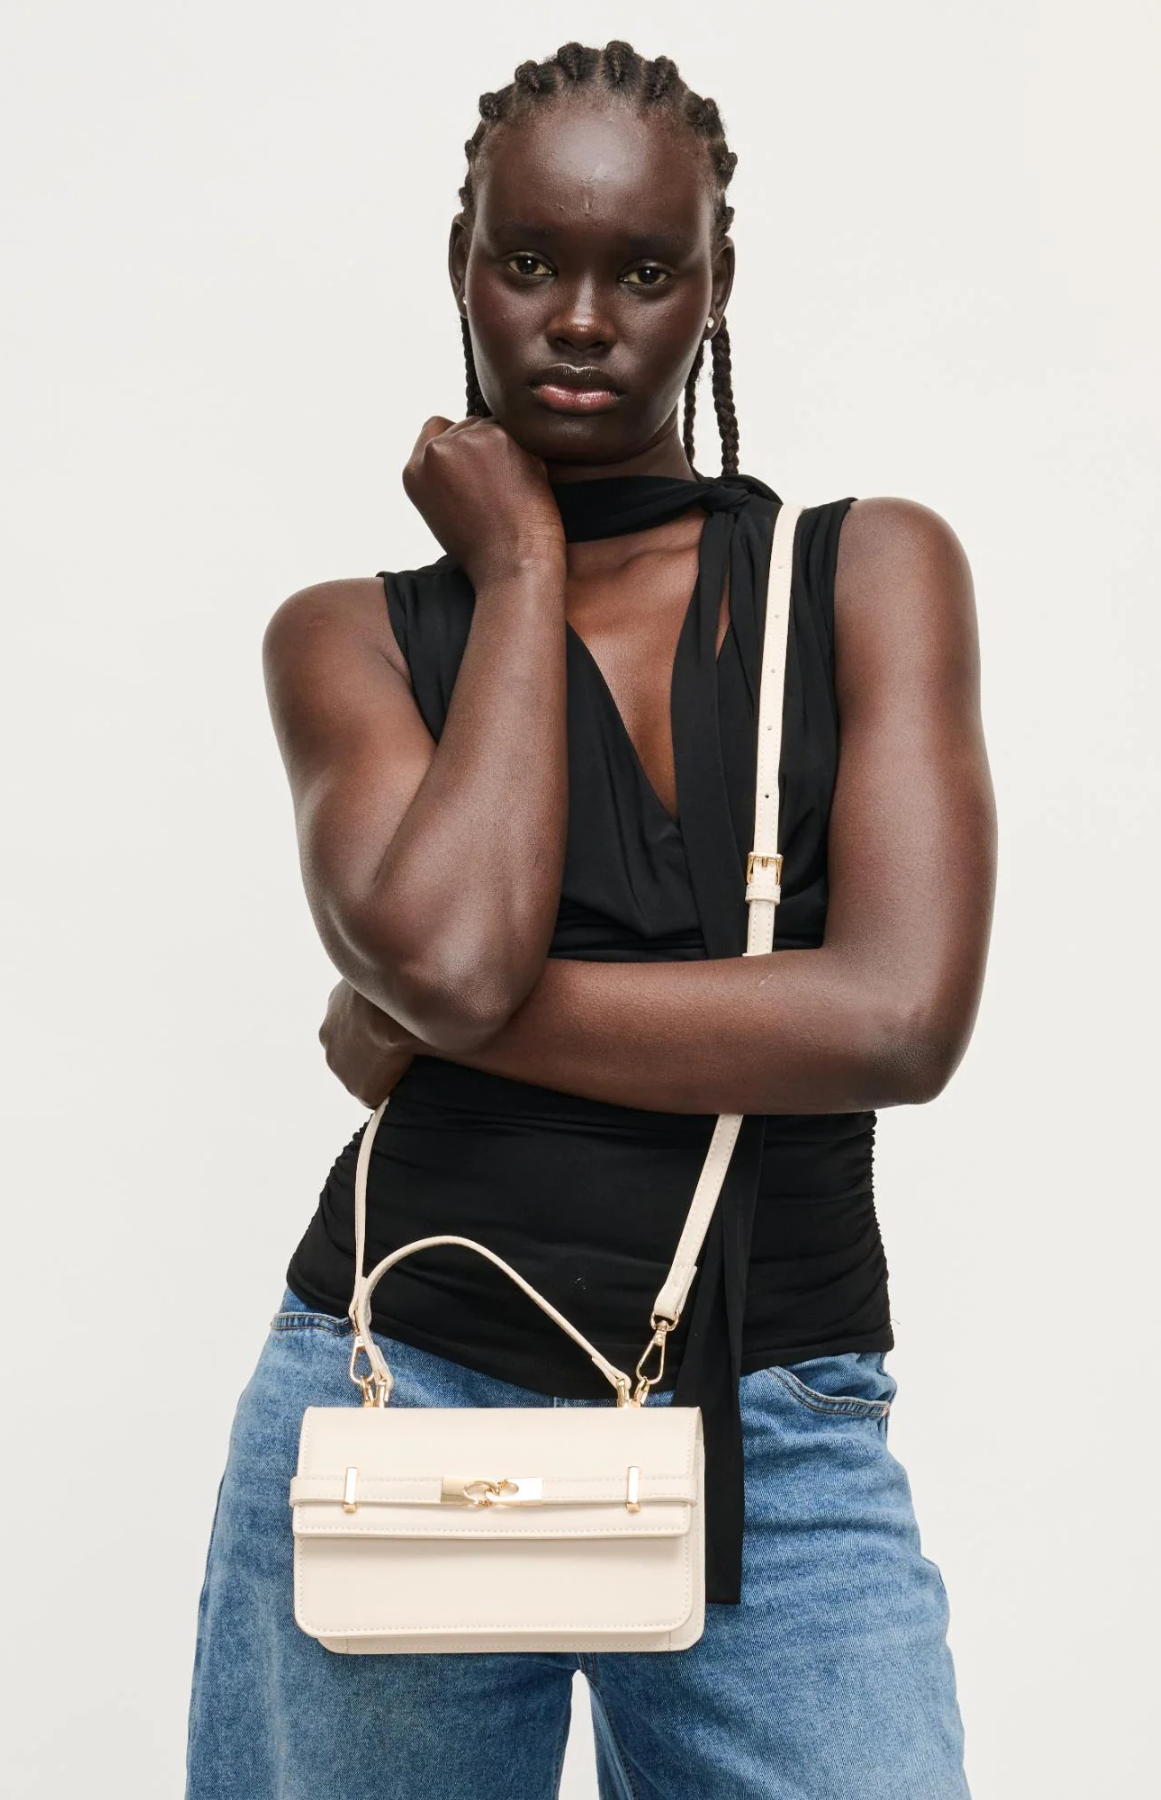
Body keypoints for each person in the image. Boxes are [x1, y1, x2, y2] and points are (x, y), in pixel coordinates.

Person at [185, 38, 995, 1800]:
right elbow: (459, 949)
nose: (578, 318)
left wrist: (422, 1016)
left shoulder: (866, 575)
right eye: (529, 260)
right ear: (460, 261)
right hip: (403, 1384)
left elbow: (897, 1019)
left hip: (779, 1434)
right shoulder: (348, 634)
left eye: (642, 270)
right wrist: (524, 566)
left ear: (715, 284)